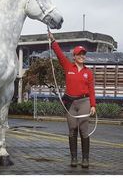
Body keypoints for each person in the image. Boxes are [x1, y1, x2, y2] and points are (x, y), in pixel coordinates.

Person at [48, 31, 96, 168]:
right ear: (74, 56)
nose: (82, 56)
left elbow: (92, 90)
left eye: (83, 54)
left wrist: (93, 105)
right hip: (70, 103)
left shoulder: (88, 72)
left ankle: (85, 159)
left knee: (84, 130)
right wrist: (53, 40)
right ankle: (74, 158)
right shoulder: (68, 66)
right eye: (79, 54)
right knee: (72, 130)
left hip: (84, 102)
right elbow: (59, 54)